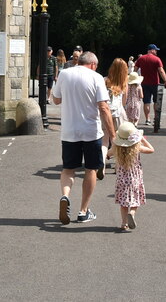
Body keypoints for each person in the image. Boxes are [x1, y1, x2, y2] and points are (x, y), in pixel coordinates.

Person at [51, 51, 116, 224]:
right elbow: (103, 107)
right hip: (90, 132)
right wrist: (113, 135)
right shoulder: (96, 78)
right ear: (93, 64)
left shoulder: (64, 74)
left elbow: (56, 100)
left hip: (69, 131)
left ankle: (65, 196)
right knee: (91, 169)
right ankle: (83, 211)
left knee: (68, 169)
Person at [111, 121, 154, 231]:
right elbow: (151, 149)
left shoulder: (116, 148)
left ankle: (124, 223)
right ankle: (132, 212)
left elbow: (108, 154)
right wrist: (142, 139)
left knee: (123, 202)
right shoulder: (137, 148)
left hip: (121, 179)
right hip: (135, 178)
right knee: (136, 198)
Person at [136, 44, 166, 126]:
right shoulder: (157, 59)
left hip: (144, 83)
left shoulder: (141, 58)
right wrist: (165, 81)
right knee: (156, 102)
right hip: (155, 84)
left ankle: (147, 119)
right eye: (156, 50)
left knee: (146, 102)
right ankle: (156, 119)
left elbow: (135, 70)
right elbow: (161, 71)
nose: (156, 51)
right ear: (152, 50)